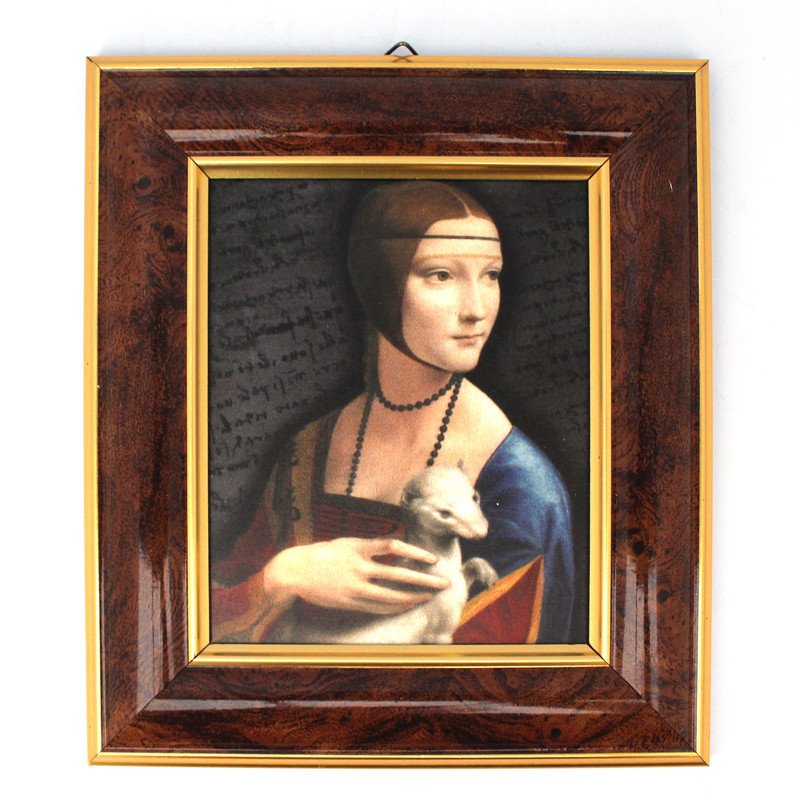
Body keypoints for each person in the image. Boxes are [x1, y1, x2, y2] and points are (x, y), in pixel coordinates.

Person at [211, 181, 574, 644]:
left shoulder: (522, 489)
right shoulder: (308, 449)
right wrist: (281, 577)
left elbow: (498, 676)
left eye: (491, 275)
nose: (476, 310)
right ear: (379, 283)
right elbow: (207, 622)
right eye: (441, 275)